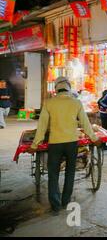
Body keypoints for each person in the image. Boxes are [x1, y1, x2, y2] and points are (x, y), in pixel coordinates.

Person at [30, 77, 101, 215]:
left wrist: (34, 144)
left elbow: (42, 126)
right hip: (71, 143)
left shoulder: (49, 103)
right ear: (69, 89)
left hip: (55, 143)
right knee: (70, 172)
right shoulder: (76, 102)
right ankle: (65, 200)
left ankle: (55, 206)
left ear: (56, 89)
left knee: (53, 173)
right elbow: (85, 124)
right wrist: (94, 138)